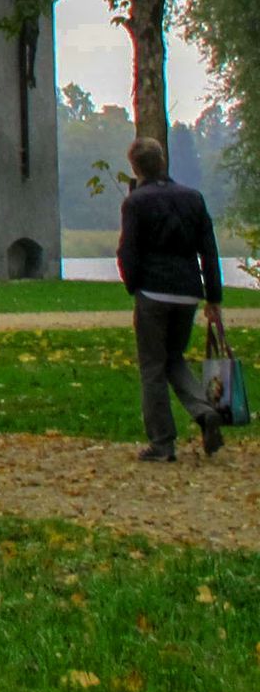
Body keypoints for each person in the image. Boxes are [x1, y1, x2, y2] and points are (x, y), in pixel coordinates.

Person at [116, 135, 226, 462]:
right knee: (174, 357)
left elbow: (128, 251)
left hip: (152, 290)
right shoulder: (193, 198)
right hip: (187, 291)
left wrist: (133, 284)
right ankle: (204, 410)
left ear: (135, 167)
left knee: (152, 366)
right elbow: (209, 250)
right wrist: (213, 297)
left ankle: (162, 443)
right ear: (162, 160)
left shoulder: (136, 203)